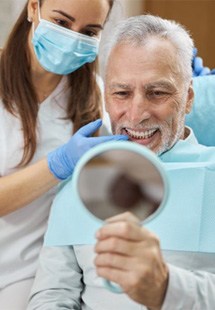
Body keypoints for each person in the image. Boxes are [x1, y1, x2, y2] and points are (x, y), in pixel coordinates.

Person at [28, 14, 215, 310]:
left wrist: (166, 287)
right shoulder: (77, 184)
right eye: (122, 93)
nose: (137, 112)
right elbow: (51, 295)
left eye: (157, 93)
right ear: (106, 98)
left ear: (188, 98)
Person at [0, 0, 130, 308]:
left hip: (30, 271)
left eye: (88, 31)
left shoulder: (94, 99)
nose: (73, 38)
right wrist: (59, 164)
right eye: (61, 23)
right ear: (34, 8)